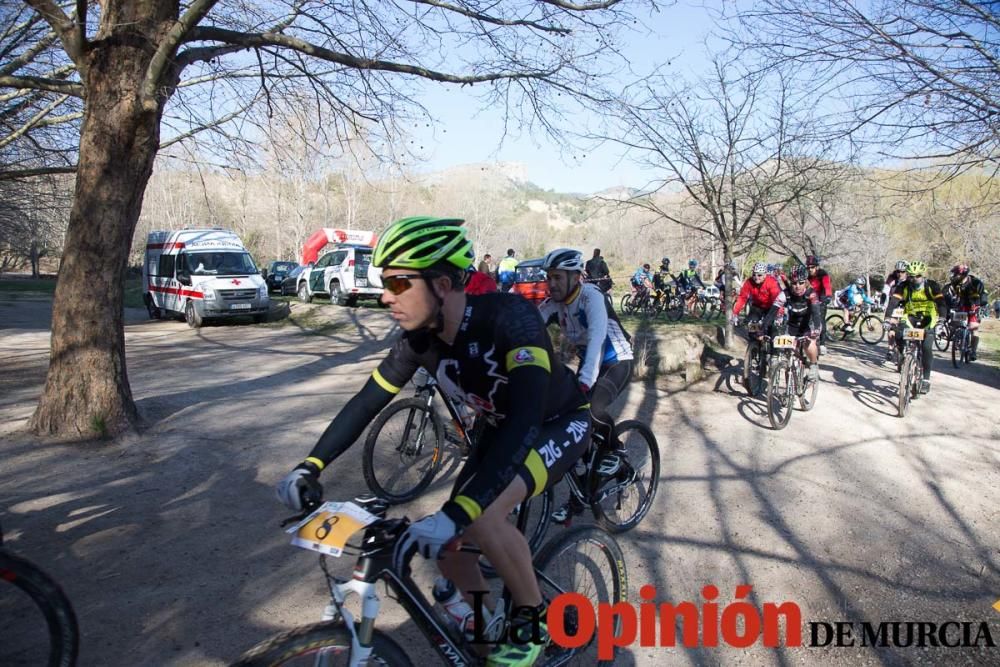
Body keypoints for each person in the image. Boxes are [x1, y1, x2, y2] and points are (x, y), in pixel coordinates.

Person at [275, 217, 589, 666]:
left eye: (399, 283)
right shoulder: (418, 341)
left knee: (480, 517)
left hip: (556, 421)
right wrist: (311, 464)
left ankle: (533, 616)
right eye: (385, 284)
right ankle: (484, 635)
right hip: (502, 428)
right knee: (448, 546)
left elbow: (524, 416)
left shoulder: (510, 318)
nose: (386, 296)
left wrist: (464, 510)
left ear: (442, 284)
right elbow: (366, 402)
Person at [538, 248, 634, 523]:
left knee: (590, 409)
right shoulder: (554, 304)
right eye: (549, 278)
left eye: (557, 278)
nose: (551, 284)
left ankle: (616, 449)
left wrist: (583, 382)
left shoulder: (592, 297)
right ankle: (578, 498)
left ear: (575, 277)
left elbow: (596, 341)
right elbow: (529, 326)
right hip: (590, 363)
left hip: (616, 360)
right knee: (569, 424)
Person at [885, 260, 946, 393]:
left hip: (928, 318)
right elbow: (893, 302)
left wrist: (941, 320)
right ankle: (903, 356)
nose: (914, 279)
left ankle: (926, 379)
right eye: (911, 276)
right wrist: (887, 319)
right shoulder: (904, 286)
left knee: (926, 347)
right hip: (910, 316)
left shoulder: (932, 286)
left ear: (923, 275)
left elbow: (941, 303)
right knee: (898, 333)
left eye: (917, 276)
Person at [777, 265, 823, 382]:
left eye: (801, 283)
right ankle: (789, 392)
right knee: (789, 358)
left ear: (806, 282)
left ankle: (813, 365)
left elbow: (816, 313)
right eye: (794, 283)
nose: (797, 286)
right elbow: (773, 310)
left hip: (809, 324)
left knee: (808, 342)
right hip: (792, 325)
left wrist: (817, 329)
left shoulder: (811, 293)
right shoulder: (786, 293)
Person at [731, 261, 785, 336]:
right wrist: (735, 313)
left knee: (772, 329)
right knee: (752, 330)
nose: (756, 277)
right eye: (754, 274)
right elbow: (742, 298)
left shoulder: (771, 282)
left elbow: (777, 299)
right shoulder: (749, 282)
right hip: (757, 307)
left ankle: (773, 345)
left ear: (765, 275)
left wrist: (779, 314)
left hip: (771, 307)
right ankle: (755, 343)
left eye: (759, 275)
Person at [949, 264, 988, 361]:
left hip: (975, 306)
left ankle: (973, 351)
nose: (954, 276)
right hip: (962, 306)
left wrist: (981, 305)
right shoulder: (955, 282)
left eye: (956, 274)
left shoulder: (976, 282)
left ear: (963, 274)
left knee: (973, 328)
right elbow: (953, 294)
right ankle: (958, 338)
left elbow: (983, 295)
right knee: (954, 323)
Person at [806, 255, 832, 353]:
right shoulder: (806, 275)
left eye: (812, 267)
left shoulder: (823, 274)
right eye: (808, 267)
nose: (810, 269)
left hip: (821, 299)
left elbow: (827, 286)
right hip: (809, 299)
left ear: (817, 267)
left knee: (821, 321)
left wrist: (828, 296)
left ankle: (822, 344)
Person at [883, 261, 909, 360]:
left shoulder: (910, 279)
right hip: (893, 303)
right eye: (898, 271)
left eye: (902, 271)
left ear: (906, 272)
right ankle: (890, 349)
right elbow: (885, 290)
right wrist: (883, 301)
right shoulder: (892, 278)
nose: (900, 274)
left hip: (906, 305)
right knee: (891, 327)